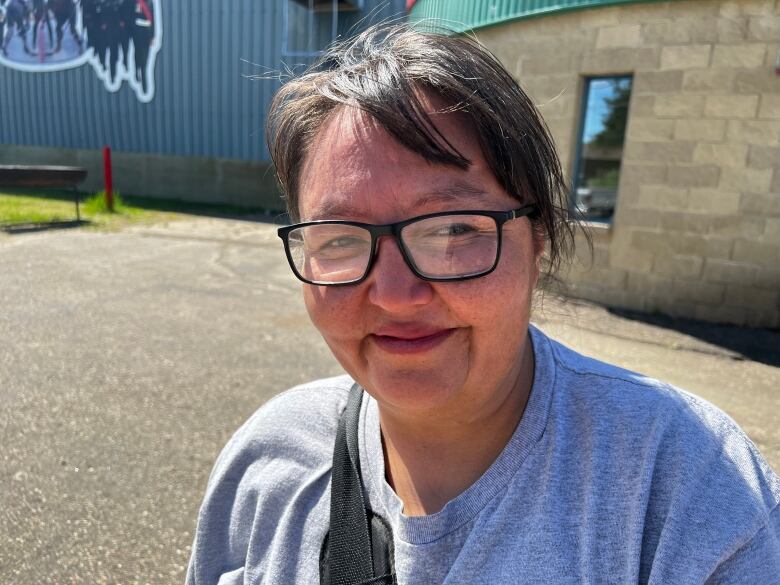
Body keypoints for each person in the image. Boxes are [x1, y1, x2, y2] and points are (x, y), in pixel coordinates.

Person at [186, 24, 780, 584]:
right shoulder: (270, 462)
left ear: (538, 240)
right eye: (339, 237)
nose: (394, 295)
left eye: (453, 230)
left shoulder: (688, 485)